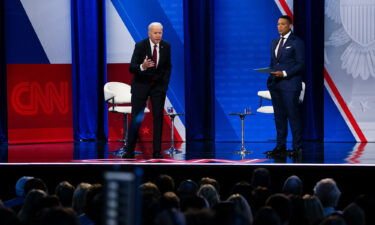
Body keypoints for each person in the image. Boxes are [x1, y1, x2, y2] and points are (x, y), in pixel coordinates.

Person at [123, 22, 172, 159]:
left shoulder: (166, 46)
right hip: (141, 86)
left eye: (160, 32)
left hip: (158, 88)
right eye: (155, 33)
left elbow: (168, 67)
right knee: (136, 119)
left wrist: (164, 85)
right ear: (149, 33)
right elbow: (132, 67)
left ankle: (156, 151)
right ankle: (129, 151)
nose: (158, 35)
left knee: (158, 119)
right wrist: (143, 66)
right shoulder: (140, 45)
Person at [266, 15, 305, 156]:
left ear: (289, 26)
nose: (279, 26)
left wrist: (284, 73)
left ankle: (297, 147)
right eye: (278, 24)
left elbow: (301, 64)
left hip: (290, 85)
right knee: (279, 117)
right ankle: (280, 146)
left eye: (282, 24)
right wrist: (270, 76)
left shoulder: (297, 42)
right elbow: (273, 63)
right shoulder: (274, 42)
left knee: (293, 116)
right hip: (276, 85)